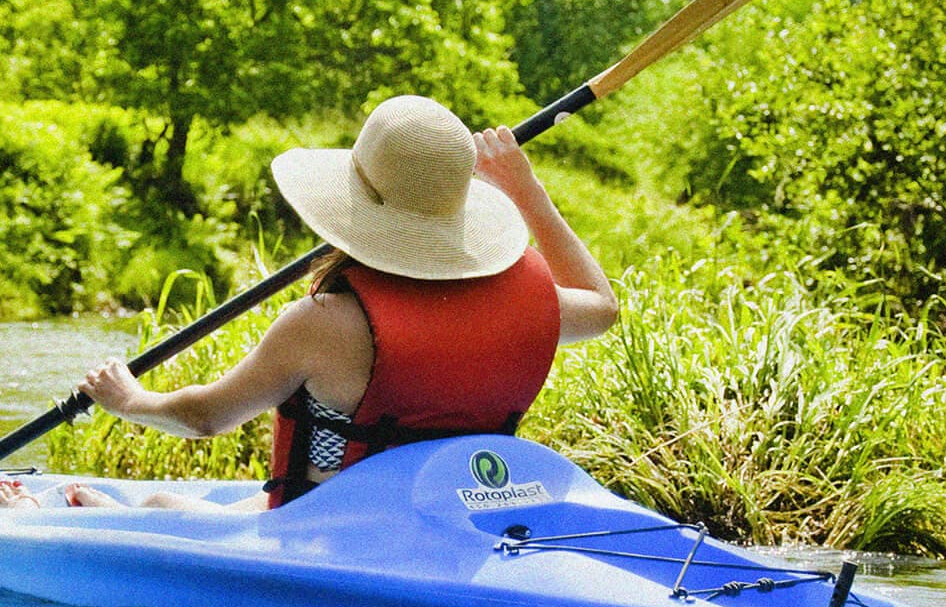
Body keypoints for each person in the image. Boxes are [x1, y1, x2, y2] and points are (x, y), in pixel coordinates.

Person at [67, 94, 619, 511]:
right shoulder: (527, 302)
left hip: (333, 525)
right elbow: (602, 306)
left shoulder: (325, 323)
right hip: (459, 514)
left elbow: (206, 417)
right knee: (201, 505)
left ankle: (103, 517)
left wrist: (130, 399)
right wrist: (527, 191)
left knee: (160, 504)